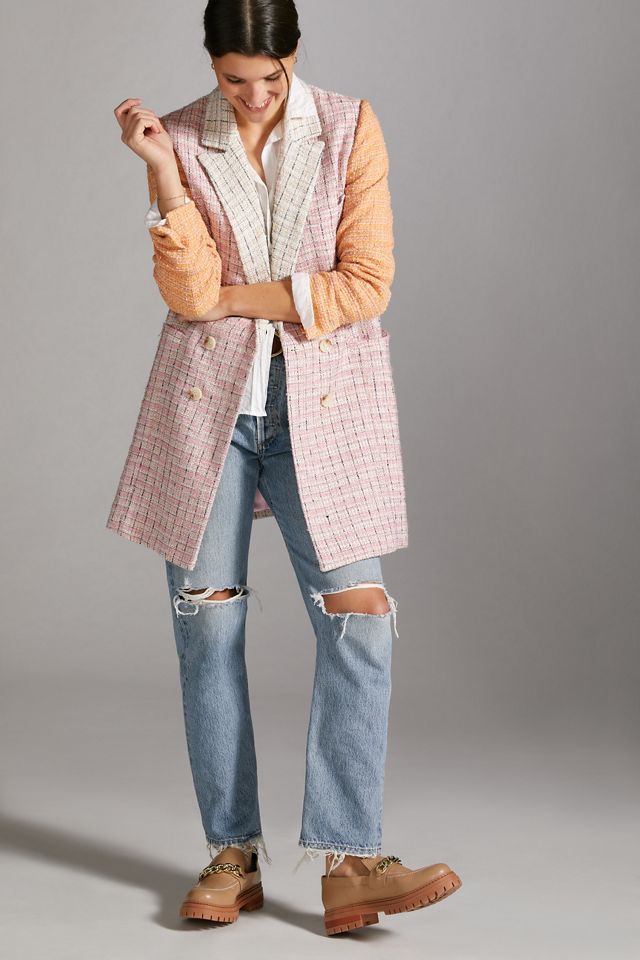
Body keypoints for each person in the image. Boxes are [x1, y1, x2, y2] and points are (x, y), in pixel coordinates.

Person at [109, 0, 461, 936]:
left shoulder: (349, 125)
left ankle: (350, 860)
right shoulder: (179, 136)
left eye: (271, 78)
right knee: (208, 630)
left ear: (294, 57)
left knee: (361, 618)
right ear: (211, 66)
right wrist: (162, 174)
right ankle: (232, 856)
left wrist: (236, 297)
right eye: (235, 80)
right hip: (207, 407)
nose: (255, 96)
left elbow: (366, 284)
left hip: (326, 408)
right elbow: (189, 291)